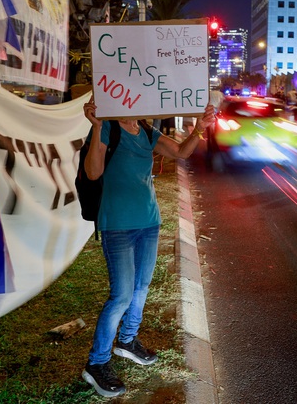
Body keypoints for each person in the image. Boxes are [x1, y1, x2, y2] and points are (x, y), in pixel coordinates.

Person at [81, 97, 215, 398]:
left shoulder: (146, 131)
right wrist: (97, 126)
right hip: (117, 224)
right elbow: (92, 173)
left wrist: (198, 130)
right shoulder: (107, 129)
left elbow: (181, 152)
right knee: (122, 295)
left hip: (149, 222)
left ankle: (127, 340)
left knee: (142, 287)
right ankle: (97, 363)